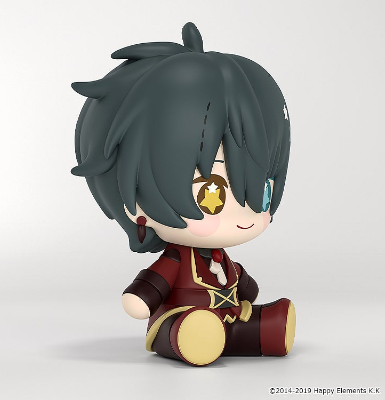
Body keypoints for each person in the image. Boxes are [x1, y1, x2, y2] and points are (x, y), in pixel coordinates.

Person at [71, 22, 295, 366]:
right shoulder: (176, 260)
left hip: (225, 314)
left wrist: (245, 289)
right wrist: (141, 298)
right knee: (183, 327)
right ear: (133, 203)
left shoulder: (221, 257)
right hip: (177, 318)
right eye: (211, 192)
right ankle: (193, 338)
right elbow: (149, 290)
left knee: (250, 320)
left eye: (263, 189)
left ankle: (262, 332)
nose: (245, 217)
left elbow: (244, 286)